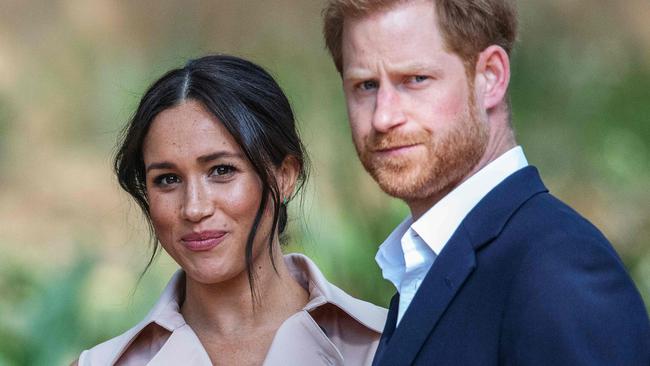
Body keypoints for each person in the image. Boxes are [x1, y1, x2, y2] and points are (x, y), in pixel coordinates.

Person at [322, 0, 650, 365]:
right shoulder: (427, 263)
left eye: (415, 79)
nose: (383, 116)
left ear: (490, 77)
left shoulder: (556, 270)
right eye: (365, 85)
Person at [74, 55, 386, 366]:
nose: (194, 208)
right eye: (167, 179)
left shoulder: (386, 345)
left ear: (285, 176)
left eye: (221, 170)